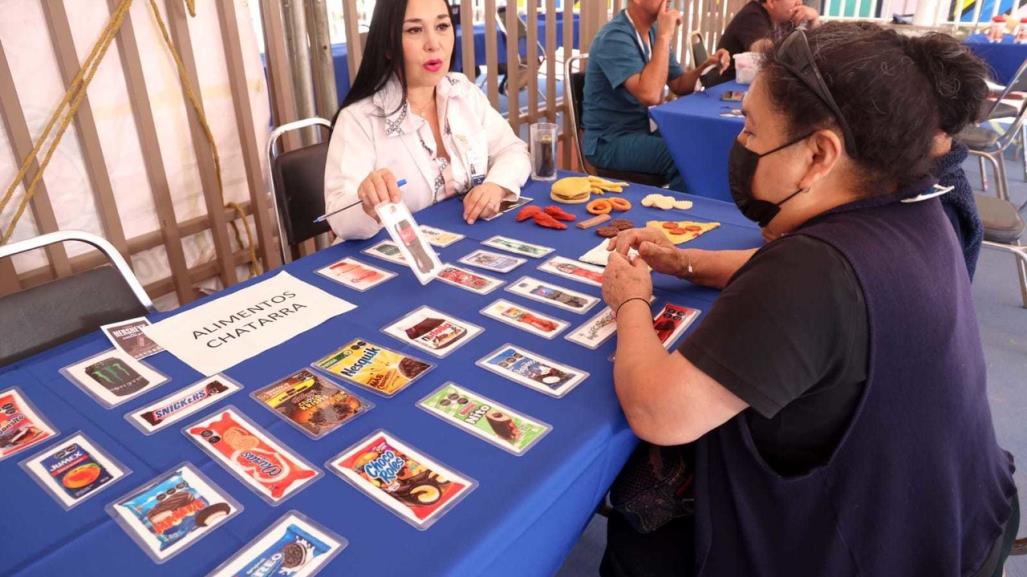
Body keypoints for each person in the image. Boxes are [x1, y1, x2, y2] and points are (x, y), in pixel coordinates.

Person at [600, 23, 1018, 577]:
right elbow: (822, 293)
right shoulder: (913, 203)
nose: (741, 144)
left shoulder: (813, 270)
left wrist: (630, 301)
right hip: (956, 520)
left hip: (868, 548)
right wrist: (687, 262)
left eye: (750, 128)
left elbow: (658, 412)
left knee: (640, 520)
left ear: (820, 153)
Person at [323, 0, 530, 241]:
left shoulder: (463, 92)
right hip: (392, 258)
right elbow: (339, 217)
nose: (434, 44)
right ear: (388, 46)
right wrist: (366, 203)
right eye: (414, 30)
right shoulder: (360, 118)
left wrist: (496, 185)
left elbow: (513, 150)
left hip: (463, 242)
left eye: (442, 26)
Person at [582, 0, 730, 192]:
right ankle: (677, 219)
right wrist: (665, 35)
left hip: (643, 130)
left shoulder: (652, 33)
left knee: (702, 139)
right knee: (686, 156)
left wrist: (707, 66)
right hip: (610, 140)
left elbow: (679, 84)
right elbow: (650, 95)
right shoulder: (614, 37)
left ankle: (700, 211)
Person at [717, 0, 818, 79]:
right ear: (771, 2)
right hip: (724, 85)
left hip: (750, 84)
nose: (799, 2)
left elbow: (816, 50)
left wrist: (814, 20)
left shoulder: (785, 19)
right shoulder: (752, 15)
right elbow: (765, 51)